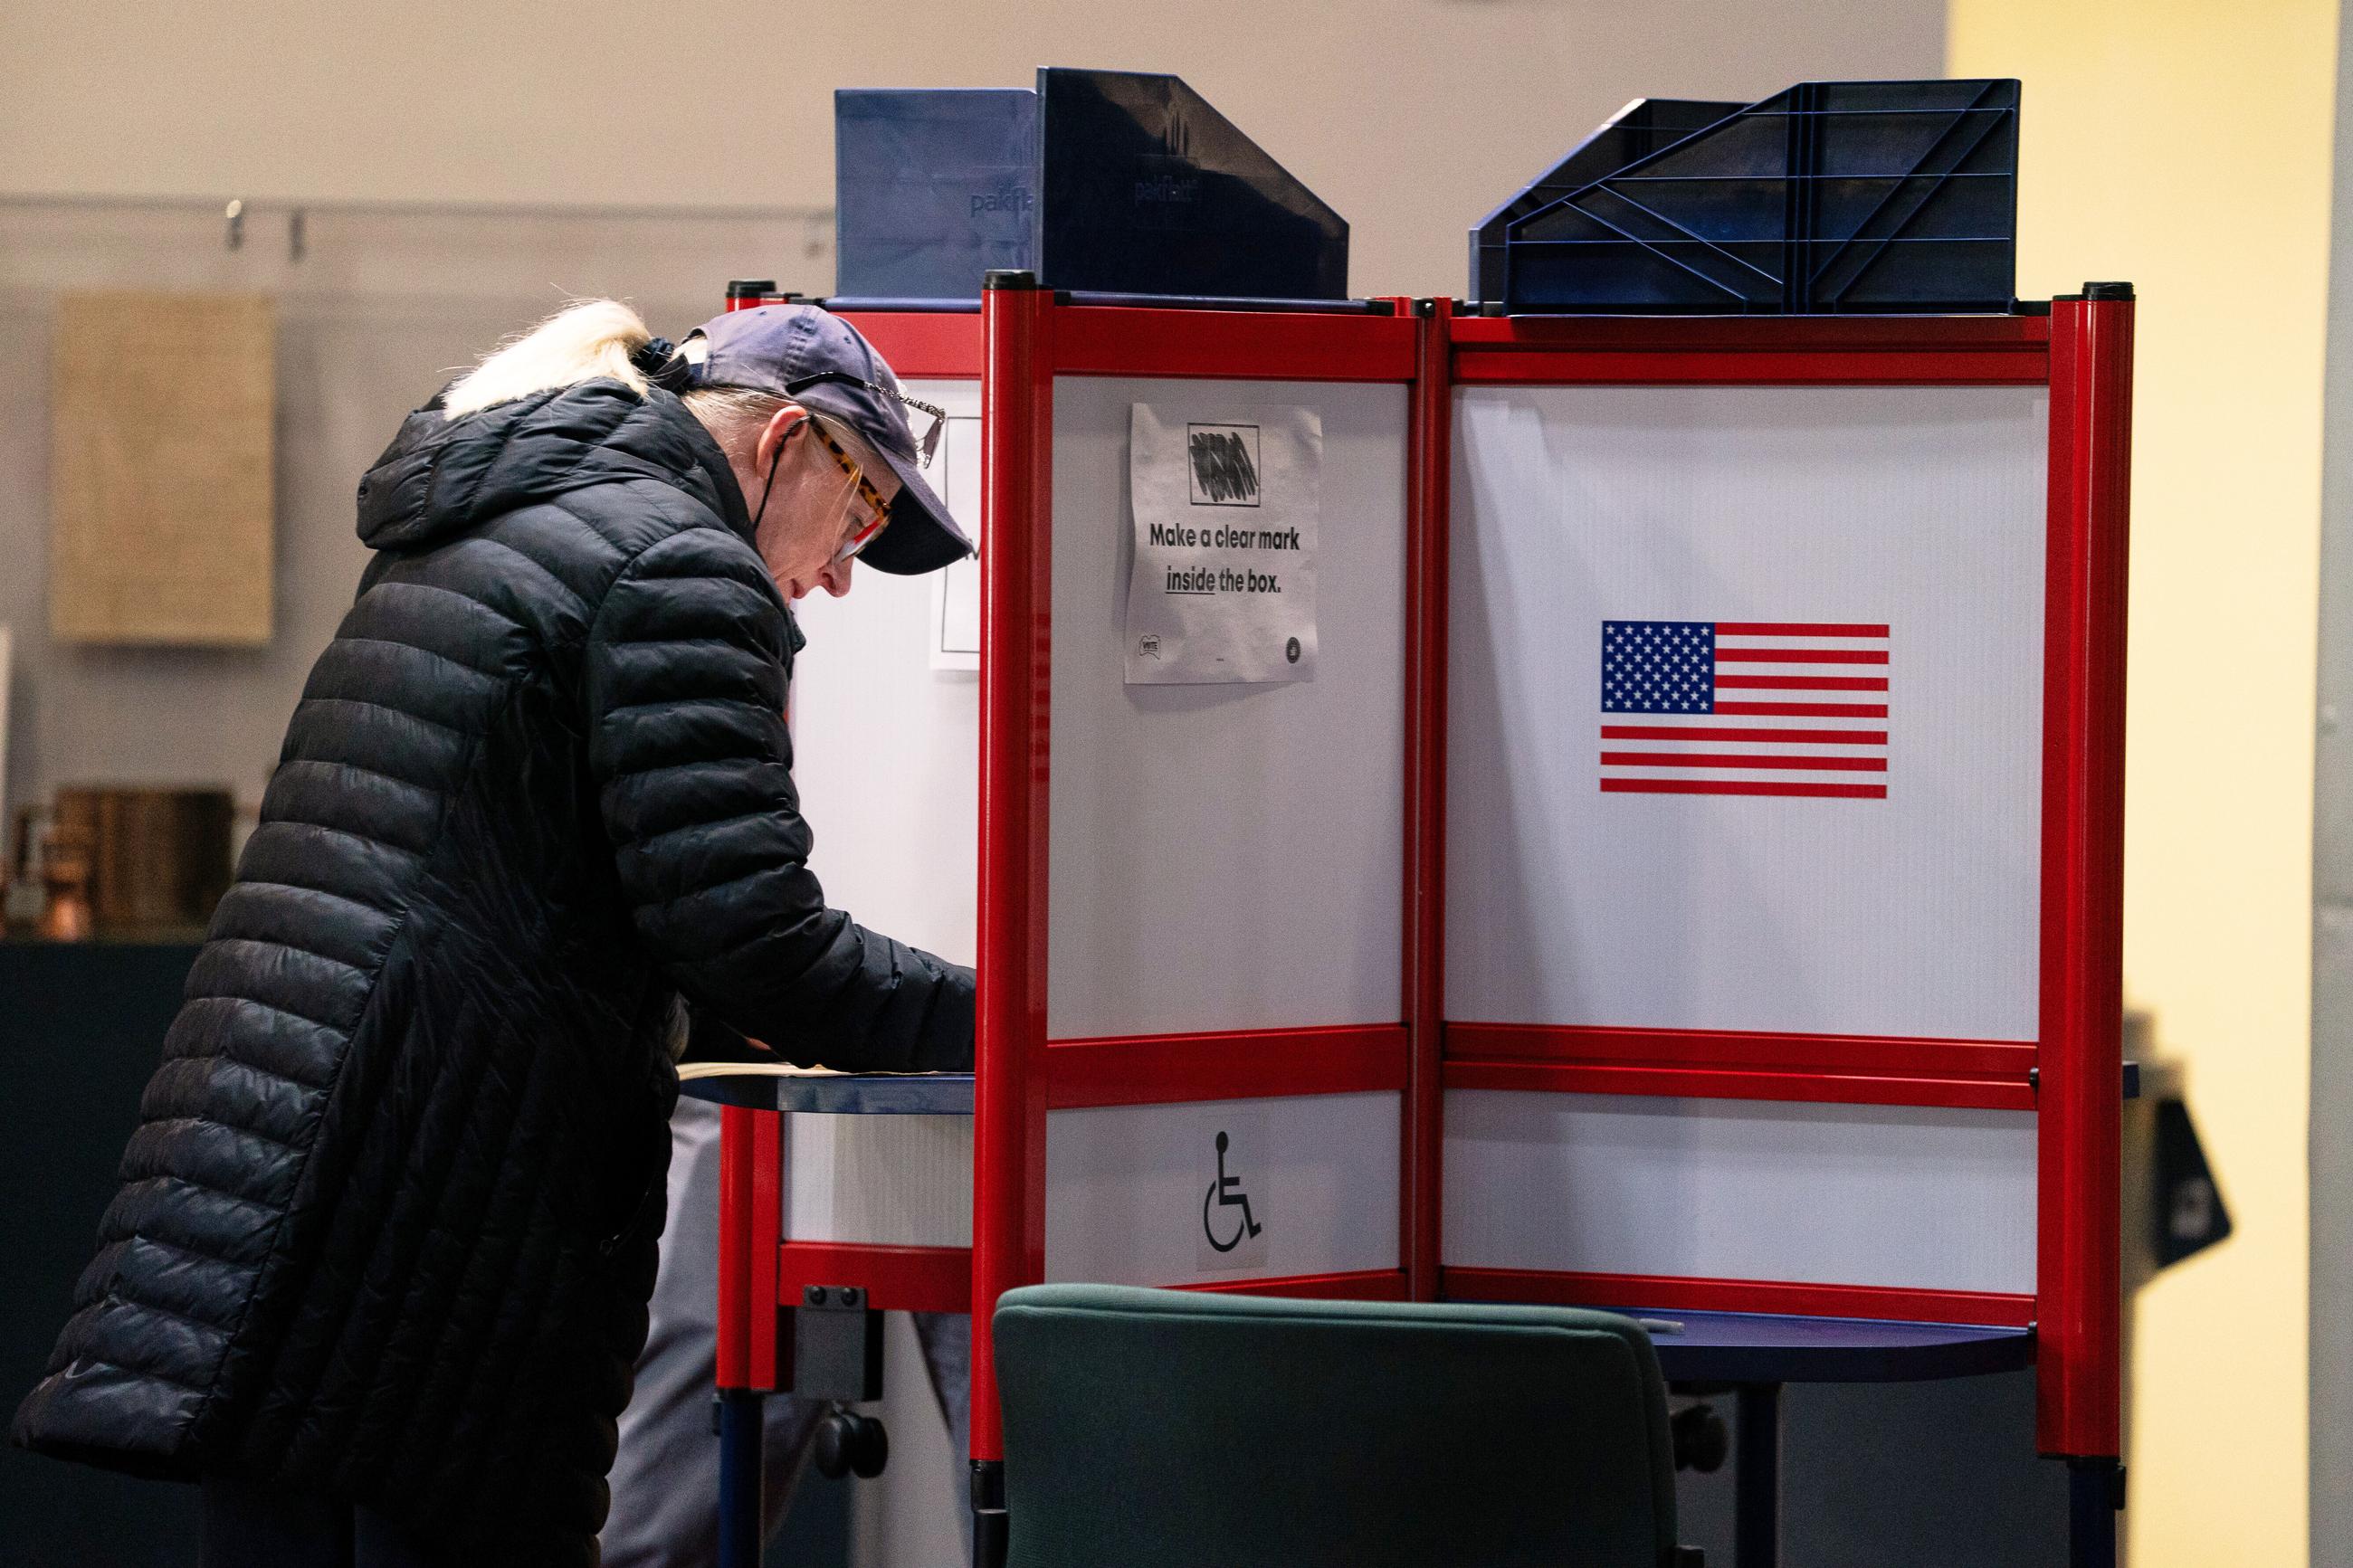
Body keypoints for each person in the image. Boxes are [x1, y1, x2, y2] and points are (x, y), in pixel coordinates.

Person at [12, 298, 977, 1568]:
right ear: (783, 440)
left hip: (285, 1182)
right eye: (856, 510)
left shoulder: (497, 513)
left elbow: (550, 875)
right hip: (435, 1220)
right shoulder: (679, 564)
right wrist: (1010, 1007)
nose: (845, 567)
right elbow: (753, 938)